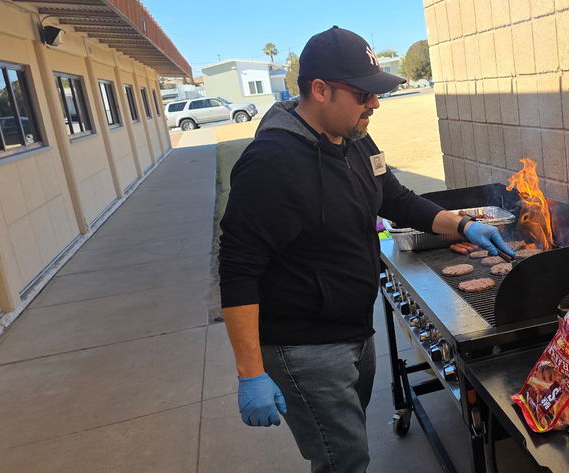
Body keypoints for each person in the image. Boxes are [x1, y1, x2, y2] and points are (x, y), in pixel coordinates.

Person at [217, 26, 515, 473]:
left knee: (344, 450)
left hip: (356, 329)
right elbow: (238, 269)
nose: (374, 104)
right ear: (320, 90)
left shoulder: (356, 140)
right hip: (303, 345)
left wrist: (465, 224)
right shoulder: (270, 164)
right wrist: (250, 372)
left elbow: (396, 199)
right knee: (344, 459)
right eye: (363, 94)